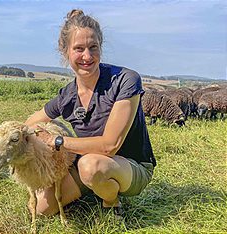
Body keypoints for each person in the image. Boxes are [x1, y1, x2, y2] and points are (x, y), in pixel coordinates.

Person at [25, 9, 156, 217]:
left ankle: (111, 202)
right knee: (41, 209)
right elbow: (32, 121)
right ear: (65, 51)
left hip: (130, 165)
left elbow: (109, 146)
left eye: (93, 47)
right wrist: (18, 136)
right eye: (79, 48)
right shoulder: (67, 95)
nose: (87, 56)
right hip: (86, 160)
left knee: (91, 165)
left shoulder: (125, 80)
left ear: (100, 48)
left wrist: (57, 141)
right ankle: (93, 186)